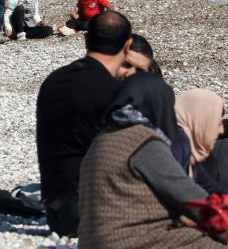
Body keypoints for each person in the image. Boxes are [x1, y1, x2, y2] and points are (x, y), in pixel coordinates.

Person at [78, 73, 226, 247]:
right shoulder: (144, 143)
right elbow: (189, 197)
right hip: (131, 240)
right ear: (161, 105)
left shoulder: (102, 138)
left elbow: (206, 188)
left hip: (93, 240)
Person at [36, 11, 133, 238]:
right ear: (127, 46)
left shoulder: (54, 80)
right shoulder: (115, 92)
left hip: (55, 207)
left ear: (86, 40)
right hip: (92, 214)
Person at [173, 89, 227, 194]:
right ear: (202, 121)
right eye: (217, 123)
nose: (221, 130)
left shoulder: (193, 157)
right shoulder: (175, 151)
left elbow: (213, 190)